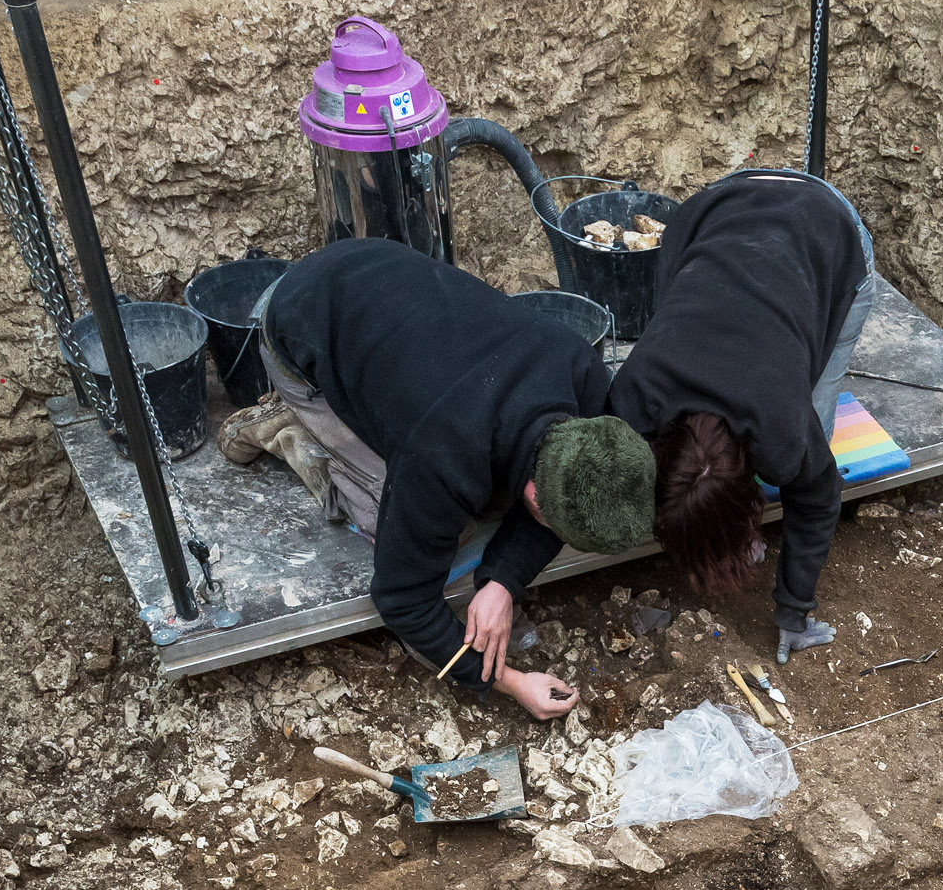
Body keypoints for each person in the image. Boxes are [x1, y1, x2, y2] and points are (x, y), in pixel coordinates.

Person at [234, 239, 656, 719]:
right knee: (390, 519)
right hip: (295, 323)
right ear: (535, 496)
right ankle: (290, 428)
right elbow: (402, 598)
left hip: (378, 274)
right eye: (550, 521)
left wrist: (502, 582)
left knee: (470, 506)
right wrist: (510, 682)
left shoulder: (585, 377)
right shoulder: (444, 455)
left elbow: (538, 517)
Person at [605, 169, 874, 657]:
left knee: (817, 430)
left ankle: (742, 528)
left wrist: (796, 608)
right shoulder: (636, 393)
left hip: (827, 226)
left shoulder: (782, 428)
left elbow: (818, 496)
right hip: (714, 209)